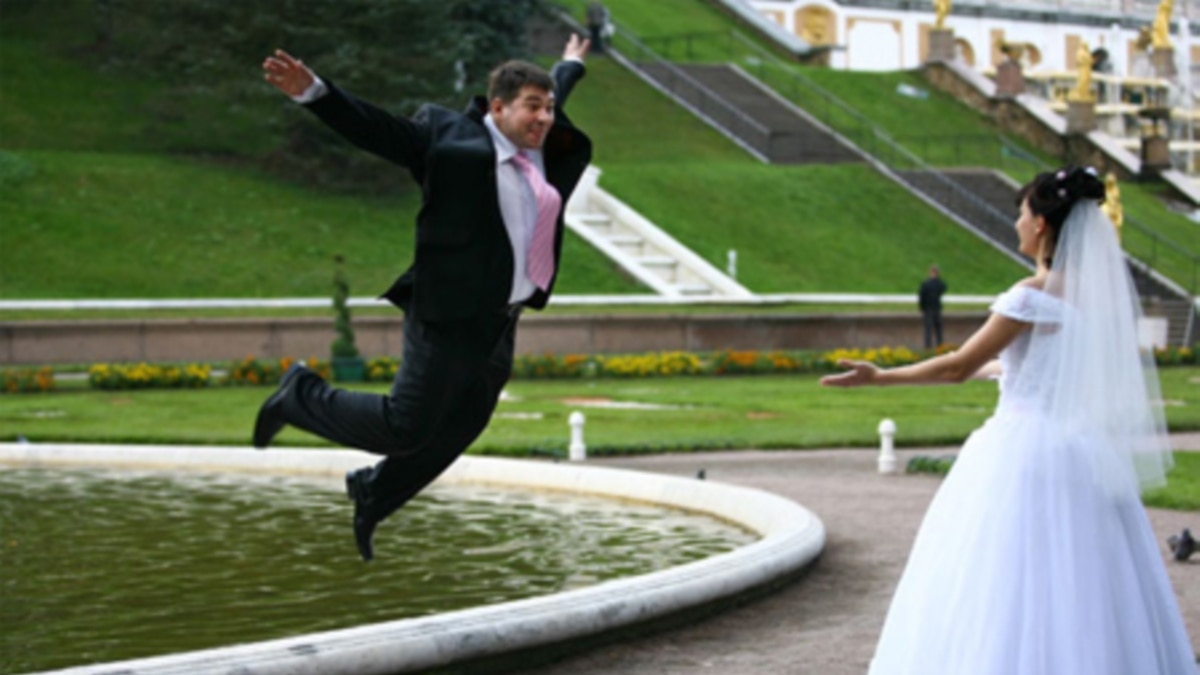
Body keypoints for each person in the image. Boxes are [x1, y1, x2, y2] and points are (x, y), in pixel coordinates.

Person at [823, 166, 1194, 674]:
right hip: (1080, 451)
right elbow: (1033, 366)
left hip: (1021, 453)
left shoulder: (1030, 295)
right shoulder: (1089, 296)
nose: (1016, 222)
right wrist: (994, 372)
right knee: (1080, 581)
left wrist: (881, 377)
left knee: (1004, 579)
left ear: (1041, 224)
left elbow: (956, 367)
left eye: (1021, 212)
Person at [256, 35, 593, 562]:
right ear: (497, 108)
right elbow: (379, 130)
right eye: (534, 107)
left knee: (461, 425)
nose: (546, 117)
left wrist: (569, 66)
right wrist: (316, 92)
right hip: (448, 312)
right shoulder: (448, 140)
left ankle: (375, 492)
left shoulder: (539, 144)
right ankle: (299, 394)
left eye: (549, 107)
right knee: (404, 427)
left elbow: (557, 94)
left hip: (499, 322)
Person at [917, 265, 946, 349]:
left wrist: (922, 307)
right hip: (936, 309)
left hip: (928, 309)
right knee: (938, 330)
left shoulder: (926, 284)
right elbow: (944, 288)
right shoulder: (939, 283)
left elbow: (921, 296)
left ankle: (928, 348)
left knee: (928, 330)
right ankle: (940, 346)